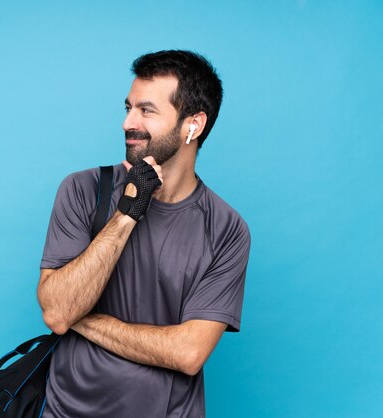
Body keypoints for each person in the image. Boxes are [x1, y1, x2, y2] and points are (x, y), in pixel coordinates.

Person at [37, 50, 251, 418]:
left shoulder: (226, 229)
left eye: (146, 111)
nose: (128, 123)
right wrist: (128, 213)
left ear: (193, 125)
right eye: (128, 107)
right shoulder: (84, 189)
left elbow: (188, 354)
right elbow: (58, 313)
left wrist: (83, 318)